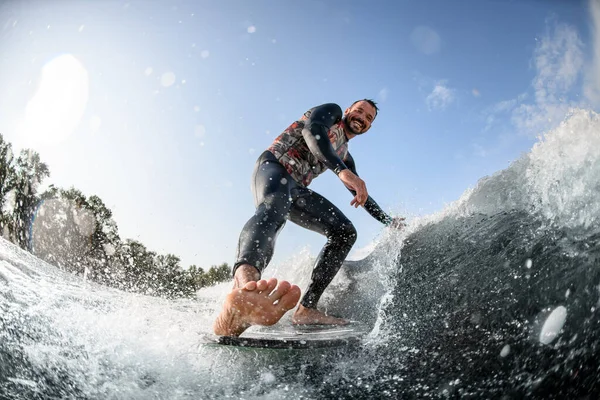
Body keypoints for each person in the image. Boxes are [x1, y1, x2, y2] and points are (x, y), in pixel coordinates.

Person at [213, 99, 404, 337]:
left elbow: (360, 192)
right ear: (347, 111)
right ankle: (245, 288)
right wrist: (340, 171)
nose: (362, 118)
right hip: (274, 167)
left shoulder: (345, 155)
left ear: (369, 126)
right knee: (273, 210)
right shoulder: (331, 113)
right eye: (359, 111)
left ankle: (306, 309)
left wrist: (388, 221)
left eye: (369, 118)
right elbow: (312, 130)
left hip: (297, 189)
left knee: (345, 232)